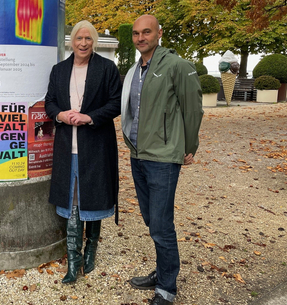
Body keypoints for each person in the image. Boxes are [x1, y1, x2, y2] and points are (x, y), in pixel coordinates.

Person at [121, 15, 203, 305]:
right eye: (135, 34)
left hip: (164, 158)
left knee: (161, 224)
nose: (140, 37)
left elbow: (193, 109)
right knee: (151, 220)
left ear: (159, 33)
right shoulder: (135, 70)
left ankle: (167, 288)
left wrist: (189, 145)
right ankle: (163, 272)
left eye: (146, 32)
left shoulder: (177, 66)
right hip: (138, 155)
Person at [44, 20, 122, 283]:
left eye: (89, 38)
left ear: (94, 41)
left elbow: (116, 104)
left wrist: (89, 117)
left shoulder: (107, 68)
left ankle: (91, 251)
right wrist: (61, 115)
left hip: (96, 143)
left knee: (94, 197)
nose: (84, 43)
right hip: (68, 145)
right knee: (73, 200)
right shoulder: (59, 70)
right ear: (72, 41)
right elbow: (49, 102)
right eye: (79, 38)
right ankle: (73, 259)